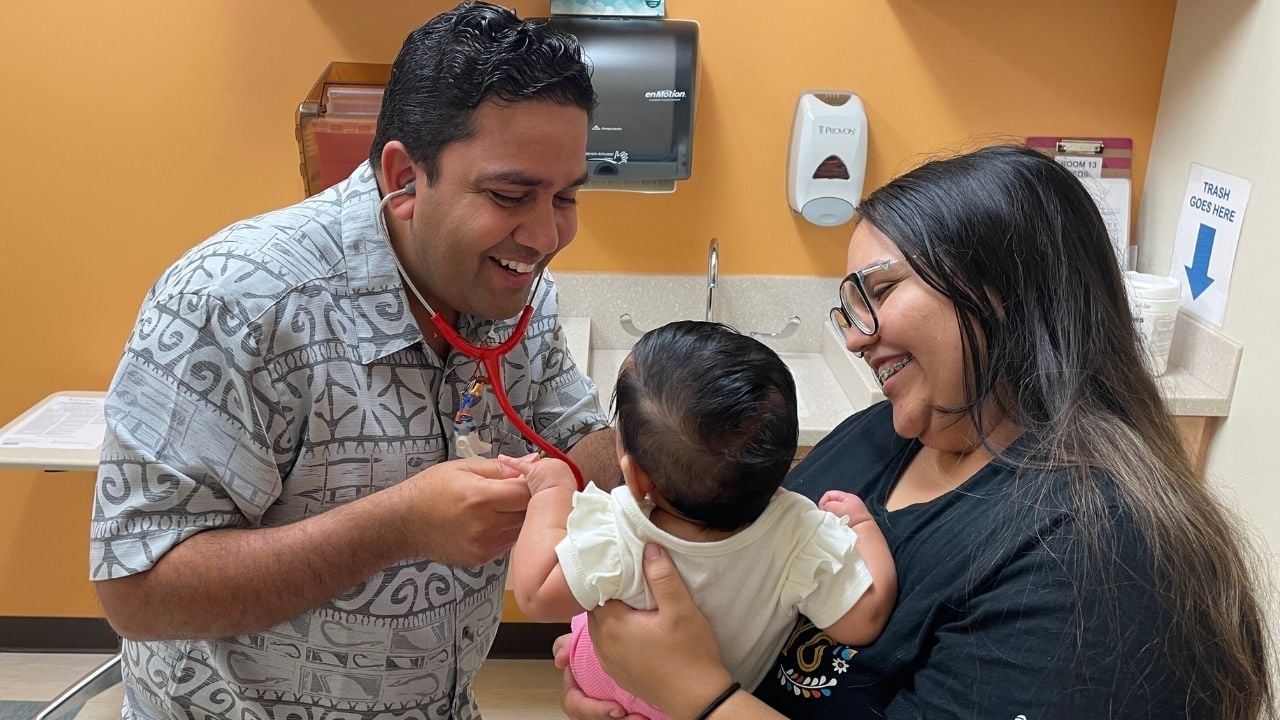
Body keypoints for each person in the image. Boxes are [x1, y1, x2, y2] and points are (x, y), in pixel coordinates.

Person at [559, 145, 1275, 720]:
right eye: (850, 306)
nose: (855, 338)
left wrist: (694, 694)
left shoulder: (1098, 559)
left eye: (882, 290)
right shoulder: (881, 435)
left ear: (1006, 290)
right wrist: (627, 676)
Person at [89, 3, 618, 719]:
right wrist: (397, 526)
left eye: (568, 196)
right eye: (510, 194)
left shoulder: (518, 289)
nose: (547, 233)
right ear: (403, 176)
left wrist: (573, 475)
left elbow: (583, 440)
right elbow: (138, 591)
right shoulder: (237, 298)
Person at [502, 321, 896, 719]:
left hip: (609, 684)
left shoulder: (621, 526)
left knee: (589, 613)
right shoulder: (800, 534)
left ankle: (581, 646)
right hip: (705, 706)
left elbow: (536, 593)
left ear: (637, 477)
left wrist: (551, 489)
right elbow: (865, 619)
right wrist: (863, 527)